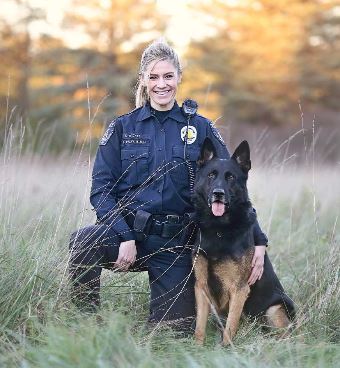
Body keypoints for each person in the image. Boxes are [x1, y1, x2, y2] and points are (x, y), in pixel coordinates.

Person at [69, 39, 269, 332]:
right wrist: (124, 236)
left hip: (176, 244)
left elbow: (233, 183)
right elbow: (101, 190)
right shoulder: (122, 128)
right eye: (153, 77)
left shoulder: (201, 129)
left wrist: (259, 241)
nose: (161, 84)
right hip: (127, 235)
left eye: (168, 76)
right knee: (83, 242)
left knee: (171, 336)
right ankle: (84, 327)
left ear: (179, 78)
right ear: (142, 81)